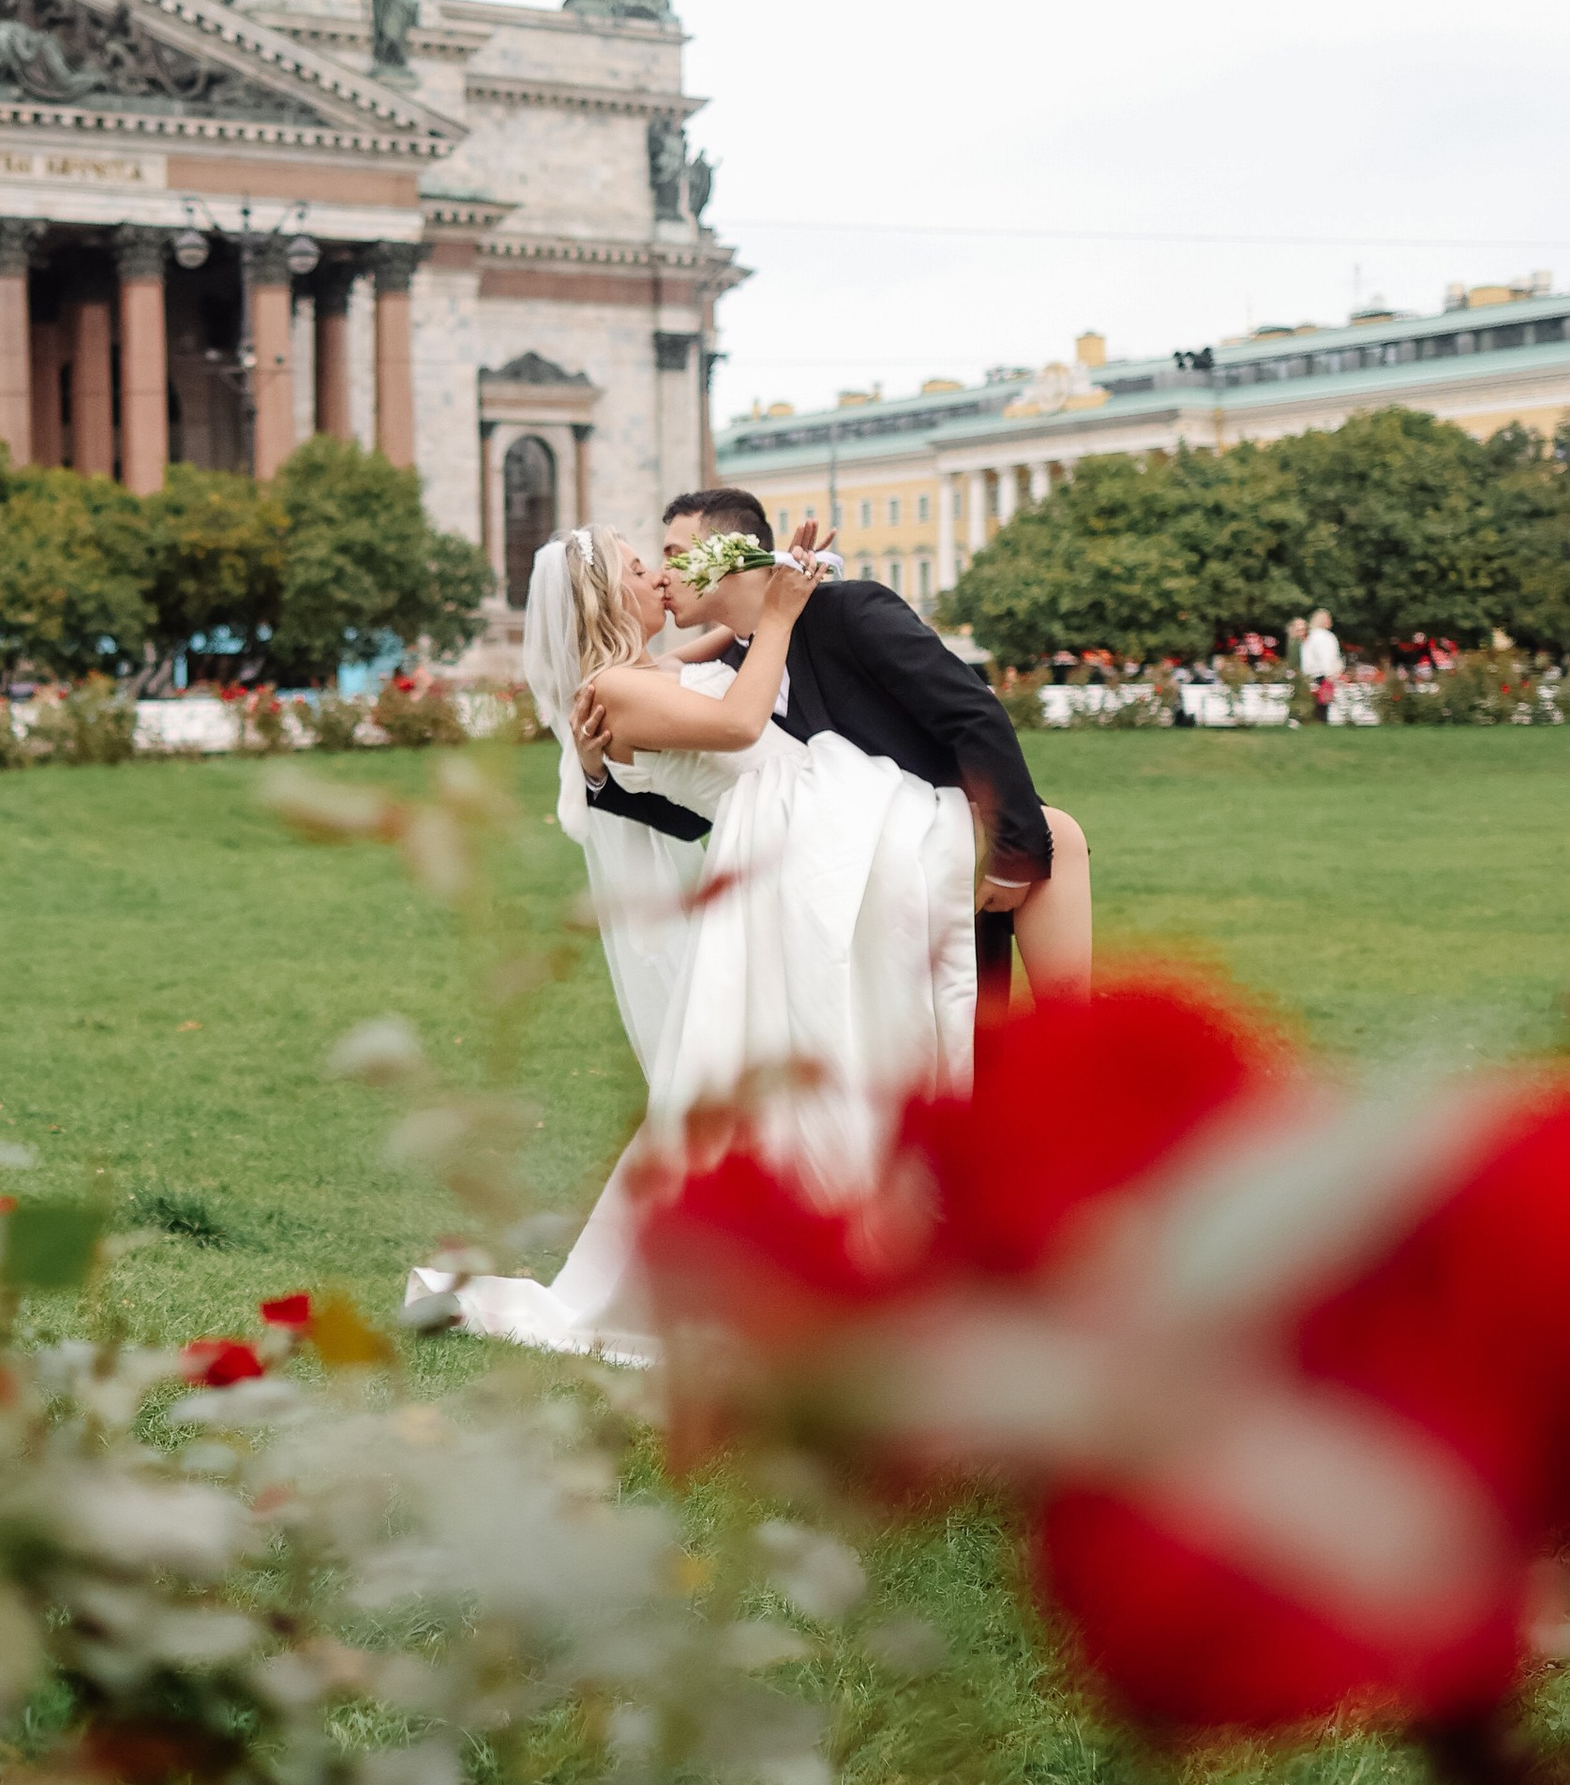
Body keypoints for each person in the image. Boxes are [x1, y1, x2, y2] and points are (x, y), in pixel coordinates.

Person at [423, 520, 977, 1355]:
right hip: (796, 838)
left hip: (803, 830)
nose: (661, 577)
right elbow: (742, 724)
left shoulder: (648, 673)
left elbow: (720, 647)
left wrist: (772, 578)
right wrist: (782, 616)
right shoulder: (618, 688)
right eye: (642, 569)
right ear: (608, 596)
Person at [581, 486, 1092, 1011]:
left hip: (952, 853)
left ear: (730, 557)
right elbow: (700, 808)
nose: (663, 576)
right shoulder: (729, 677)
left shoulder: (848, 611)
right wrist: (597, 771)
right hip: (839, 904)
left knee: (1012, 1046)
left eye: (675, 556)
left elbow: (973, 714)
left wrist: (1010, 856)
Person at [1294, 607, 1341, 716]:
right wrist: (1330, 673)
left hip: (1310, 674)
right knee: (1323, 703)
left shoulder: (1309, 637)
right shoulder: (1325, 637)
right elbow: (1326, 657)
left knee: (1313, 702)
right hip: (1323, 674)